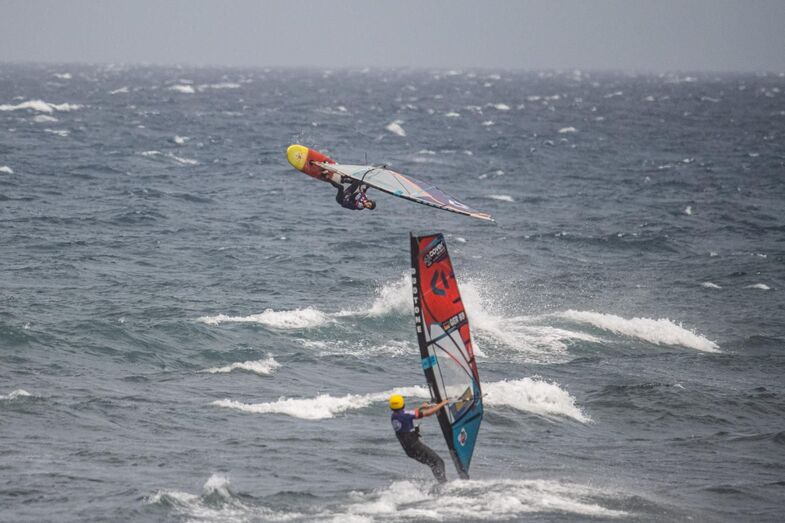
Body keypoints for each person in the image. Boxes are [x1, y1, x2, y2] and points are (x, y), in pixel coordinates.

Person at [389, 394, 449, 483]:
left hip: (409, 451)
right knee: (438, 462)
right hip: (416, 447)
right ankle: (444, 485)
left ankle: (442, 483)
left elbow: (410, 413)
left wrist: (421, 407)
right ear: (403, 404)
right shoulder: (406, 415)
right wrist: (442, 403)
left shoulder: (394, 416)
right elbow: (427, 413)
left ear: (391, 407)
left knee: (433, 464)